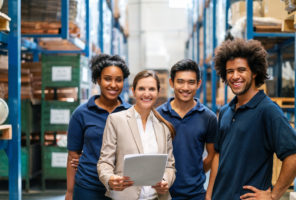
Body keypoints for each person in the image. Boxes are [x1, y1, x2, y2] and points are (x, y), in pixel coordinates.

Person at [205, 39, 296, 200]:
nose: (235, 76)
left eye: (241, 70)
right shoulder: (225, 111)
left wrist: (273, 195)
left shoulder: (267, 110)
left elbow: (295, 156)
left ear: (254, 72)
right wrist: (209, 195)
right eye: (230, 71)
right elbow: (218, 156)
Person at [97, 70, 176, 200]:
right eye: (141, 89)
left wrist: (165, 181)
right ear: (133, 91)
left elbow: (169, 166)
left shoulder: (163, 127)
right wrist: (110, 179)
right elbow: (105, 162)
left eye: (151, 89)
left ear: (158, 92)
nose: (146, 94)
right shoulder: (116, 120)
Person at [65, 54, 131, 200]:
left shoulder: (131, 113)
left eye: (118, 80)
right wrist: (70, 192)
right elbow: (73, 155)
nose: (113, 85)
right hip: (89, 186)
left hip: (123, 187)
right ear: (98, 80)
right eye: (108, 79)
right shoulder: (81, 114)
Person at [157, 59, 217, 200]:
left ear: (198, 84)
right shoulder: (159, 116)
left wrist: (195, 173)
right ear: (172, 83)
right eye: (180, 81)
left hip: (196, 195)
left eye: (191, 82)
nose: (185, 87)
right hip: (163, 194)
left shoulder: (208, 118)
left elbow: (212, 156)